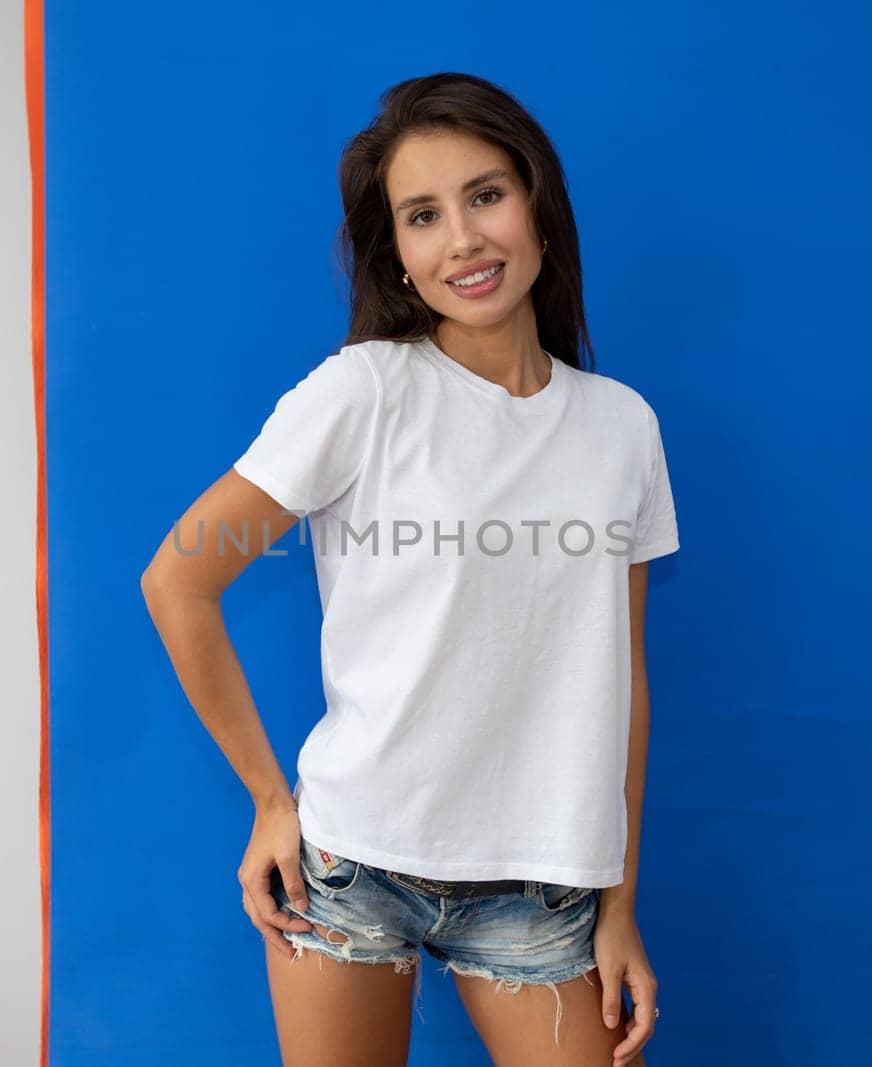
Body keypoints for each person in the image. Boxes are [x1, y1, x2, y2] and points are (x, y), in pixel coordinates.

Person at [140, 72, 678, 1067]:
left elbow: (623, 679)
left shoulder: (622, 427)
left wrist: (619, 904)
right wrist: (269, 798)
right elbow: (177, 578)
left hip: (543, 878)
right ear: (397, 255)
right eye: (422, 216)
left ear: (537, 206)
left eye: (485, 195)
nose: (462, 239)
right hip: (349, 867)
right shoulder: (364, 392)